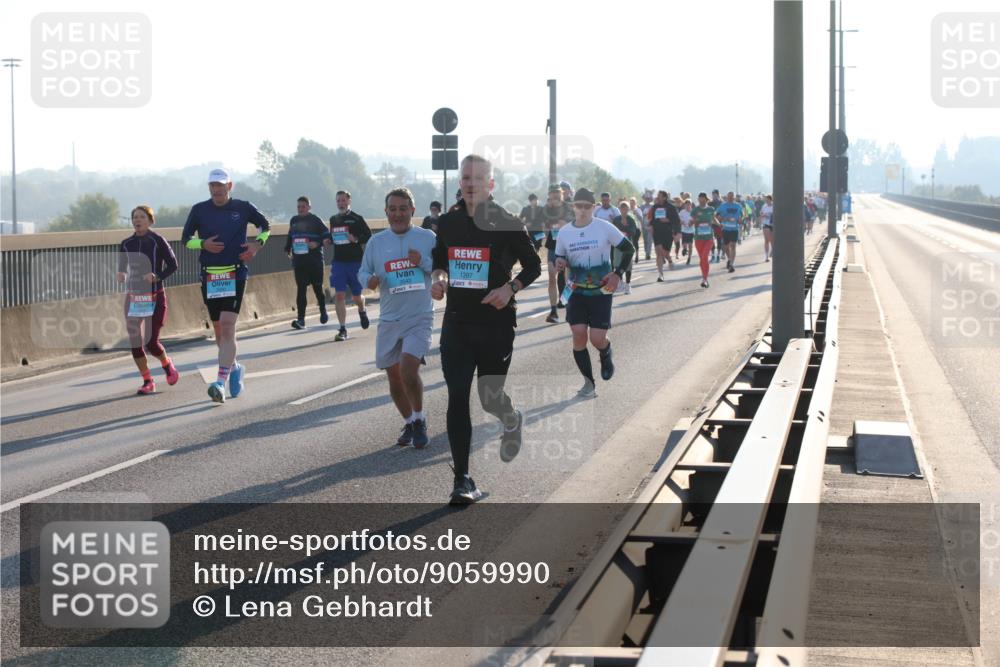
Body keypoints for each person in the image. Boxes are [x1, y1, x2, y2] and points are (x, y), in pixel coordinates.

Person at [431, 154, 541, 505]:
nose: (470, 183)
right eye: (465, 177)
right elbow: (439, 260)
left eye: (478, 178)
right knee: (457, 396)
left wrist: (510, 289)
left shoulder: (507, 221)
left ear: (490, 184)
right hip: (457, 323)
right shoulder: (447, 223)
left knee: (489, 397)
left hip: (495, 324)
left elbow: (534, 265)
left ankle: (511, 419)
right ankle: (462, 479)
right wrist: (439, 278)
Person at [181, 168, 270, 403]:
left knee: (229, 326)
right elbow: (185, 240)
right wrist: (203, 244)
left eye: (221, 185)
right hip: (210, 276)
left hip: (235, 273)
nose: (216, 189)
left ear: (230, 186)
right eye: (212, 185)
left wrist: (256, 246)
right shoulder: (199, 210)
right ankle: (235, 367)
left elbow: (266, 226)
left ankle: (219, 382)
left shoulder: (242, 207)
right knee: (220, 331)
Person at [359, 187, 436, 449]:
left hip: (419, 317)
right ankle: (410, 421)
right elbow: (363, 271)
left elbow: (440, 269)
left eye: (403, 209)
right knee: (394, 377)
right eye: (393, 209)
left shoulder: (427, 237)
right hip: (390, 318)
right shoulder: (376, 242)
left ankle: (420, 418)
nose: (398, 214)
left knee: (408, 369)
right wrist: (368, 281)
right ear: (386, 212)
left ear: (412, 210)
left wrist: (422, 261)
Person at [554, 188, 634, 398]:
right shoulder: (564, 232)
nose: (582, 210)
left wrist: (617, 273)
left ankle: (605, 352)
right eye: (578, 206)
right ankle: (589, 384)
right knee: (579, 335)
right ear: (573, 207)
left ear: (594, 207)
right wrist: (559, 263)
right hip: (576, 292)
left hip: (601, 291)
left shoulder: (604, 228)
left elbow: (629, 249)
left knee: (597, 338)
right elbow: (559, 258)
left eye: (586, 206)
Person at [116, 205, 180, 395]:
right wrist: (120, 274)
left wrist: (157, 276)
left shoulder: (157, 240)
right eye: (134, 217)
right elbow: (122, 266)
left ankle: (167, 364)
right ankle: (147, 381)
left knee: (151, 342)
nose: (137, 220)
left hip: (155, 296)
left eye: (142, 217)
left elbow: (173, 265)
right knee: (135, 342)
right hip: (134, 297)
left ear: (150, 220)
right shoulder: (126, 243)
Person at [329, 190, 373, 341]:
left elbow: (368, 235)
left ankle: (362, 310)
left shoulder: (356, 218)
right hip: (339, 262)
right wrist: (328, 240)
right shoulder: (333, 219)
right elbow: (333, 236)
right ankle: (342, 329)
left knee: (356, 296)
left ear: (349, 201)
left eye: (343, 200)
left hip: (355, 262)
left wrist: (355, 239)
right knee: (339, 295)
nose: (340, 203)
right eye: (338, 201)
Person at [285, 196, 331, 329]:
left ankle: (323, 311)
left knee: (318, 288)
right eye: (298, 207)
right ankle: (301, 320)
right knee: (301, 289)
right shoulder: (294, 220)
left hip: (314, 260)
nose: (300, 209)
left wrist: (317, 243)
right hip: (299, 261)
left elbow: (327, 235)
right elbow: (290, 236)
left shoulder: (315, 220)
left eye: (303, 206)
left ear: (309, 207)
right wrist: (287, 248)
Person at [542, 184, 571, 323]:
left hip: (568, 247)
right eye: (552, 194)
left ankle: (570, 307)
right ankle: (553, 311)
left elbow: (573, 223)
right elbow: (543, 227)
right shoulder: (546, 209)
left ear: (562, 193)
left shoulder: (569, 207)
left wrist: (563, 224)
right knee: (552, 278)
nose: (554, 196)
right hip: (553, 246)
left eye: (557, 193)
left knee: (568, 278)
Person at [648, 190, 680, 280]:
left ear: (665, 197)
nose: (658, 197)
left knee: (665, 252)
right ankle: (660, 275)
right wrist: (650, 226)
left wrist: (668, 220)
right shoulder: (654, 207)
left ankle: (669, 259)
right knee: (659, 253)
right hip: (657, 232)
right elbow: (651, 219)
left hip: (668, 232)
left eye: (660, 196)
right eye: (657, 195)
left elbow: (677, 221)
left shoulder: (671, 207)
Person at [691, 192, 721, 288]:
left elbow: (713, 219)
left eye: (702, 198)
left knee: (704, 257)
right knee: (702, 259)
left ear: (706, 199)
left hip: (708, 237)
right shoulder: (695, 210)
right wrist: (694, 222)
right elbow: (692, 221)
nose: (701, 200)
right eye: (699, 198)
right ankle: (704, 277)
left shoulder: (711, 209)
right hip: (698, 238)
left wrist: (719, 224)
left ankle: (705, 279)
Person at [611, 201, 639, 294]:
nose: (624, 210)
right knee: (618, 264)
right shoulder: (616, 219)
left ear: (628, 209)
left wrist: (623, 228)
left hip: (628, 245)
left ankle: (628, 285)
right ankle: (620, 283)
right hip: (618, 245)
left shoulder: (631, 219)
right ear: (619, 209)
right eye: (622, 208)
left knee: (628, 265)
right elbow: (613, 231)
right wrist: (624, 229)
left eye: (626, 208)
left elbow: (633, 231)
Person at [715, 191, 744, 273]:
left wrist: (740, 219)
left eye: (732, 196)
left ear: (734, 197)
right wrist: (724, 219)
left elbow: (742, 215)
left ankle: (731, 264)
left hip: (734, 228)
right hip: (725, 228)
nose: (730, 198)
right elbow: (717, 216)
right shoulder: (723, 206)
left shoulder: (738, 206)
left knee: (733, 246)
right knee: (726, 247)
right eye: (729, 196)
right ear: (727, 197)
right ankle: (729, 259)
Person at [678, 198, 695, 265]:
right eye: (686, 205)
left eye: (689, 205)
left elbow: (695, 219)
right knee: (684, 243)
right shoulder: (682, 212)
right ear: (684, 205)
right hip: (684, 230)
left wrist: (692, 223)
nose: (687, 206)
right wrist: (681, 222)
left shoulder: (693, 212)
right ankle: (684, 249)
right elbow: (679, 218)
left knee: (690, 245)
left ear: (691, 205)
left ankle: (689, 257)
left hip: (691, 230)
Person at [760, 194, 774, 261]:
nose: (766, 201)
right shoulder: (764, 206)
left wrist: (770, 215)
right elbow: (761, 213)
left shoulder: (774, 206)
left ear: (771, 200)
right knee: (766, 240)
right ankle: (766, 256)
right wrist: (763, 215)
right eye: (766, 200)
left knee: (772, 239)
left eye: (768, 200)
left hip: (773, 224)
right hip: (766, 224)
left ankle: (773, 250)